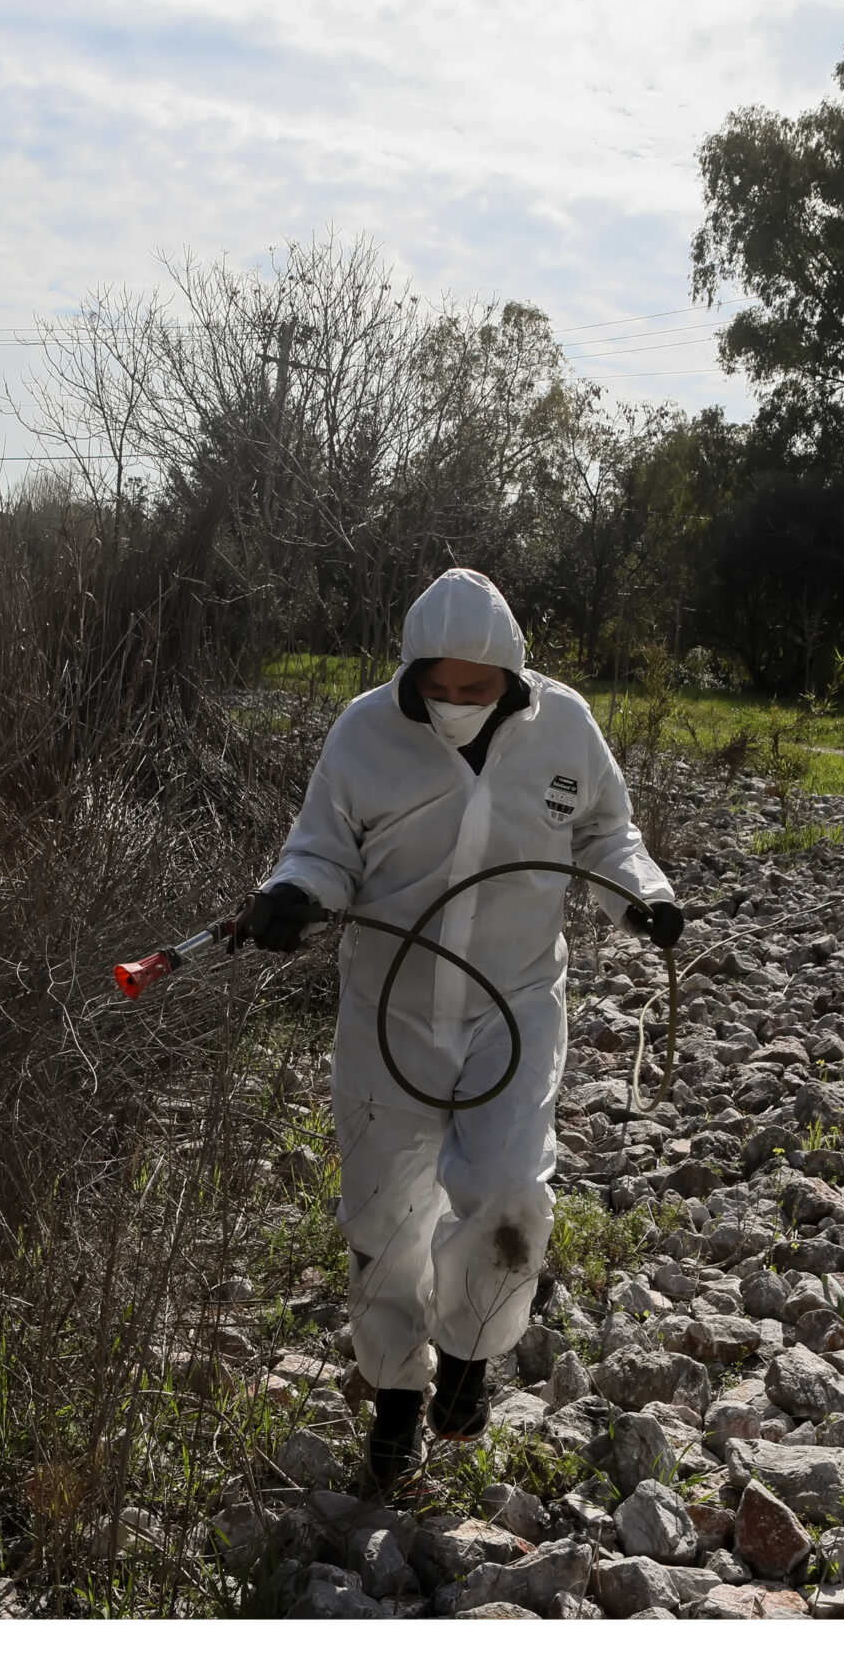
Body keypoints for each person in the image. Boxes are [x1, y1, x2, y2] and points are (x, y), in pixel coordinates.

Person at [228, 568, 681, 1487]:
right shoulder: (364, 732)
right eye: (438, 686)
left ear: (510, 679)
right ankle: (397, 1396)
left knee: (509, 1189)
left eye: (474, 690)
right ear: (412, 674)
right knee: (384, 1215)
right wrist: (292, 897)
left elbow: (606, 836)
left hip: (512, 1003)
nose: (455, 703)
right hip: (386, 1011)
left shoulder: (565, 729)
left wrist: (649, 898)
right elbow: (321, 846)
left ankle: (469, 1354)